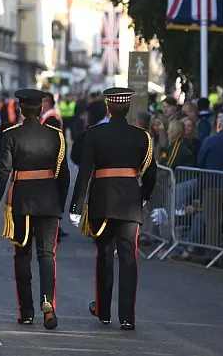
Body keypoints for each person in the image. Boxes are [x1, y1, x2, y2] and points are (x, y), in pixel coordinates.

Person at [69, 87, 156, 331]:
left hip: (102, 201)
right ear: (128, 108)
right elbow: (151, 173)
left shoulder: (94, 134)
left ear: (108, 107)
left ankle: (104, 311)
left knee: (104, 256)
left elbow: (85, 172)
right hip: (130, 202)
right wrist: (144, 196)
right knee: (128, 259)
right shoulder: (142, 137)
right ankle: (127, 317)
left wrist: (76, 205)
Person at [0, 89, 69, 330]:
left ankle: (27, 311)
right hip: (48, 200)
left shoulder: (11, 135)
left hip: (20, 201)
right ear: (41, 109)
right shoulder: (56, 136)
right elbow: (63, 175)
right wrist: (59, 204)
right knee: (47, 255)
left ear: (21, 110)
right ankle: (48, 304)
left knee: (22, 255)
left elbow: (3, 173)